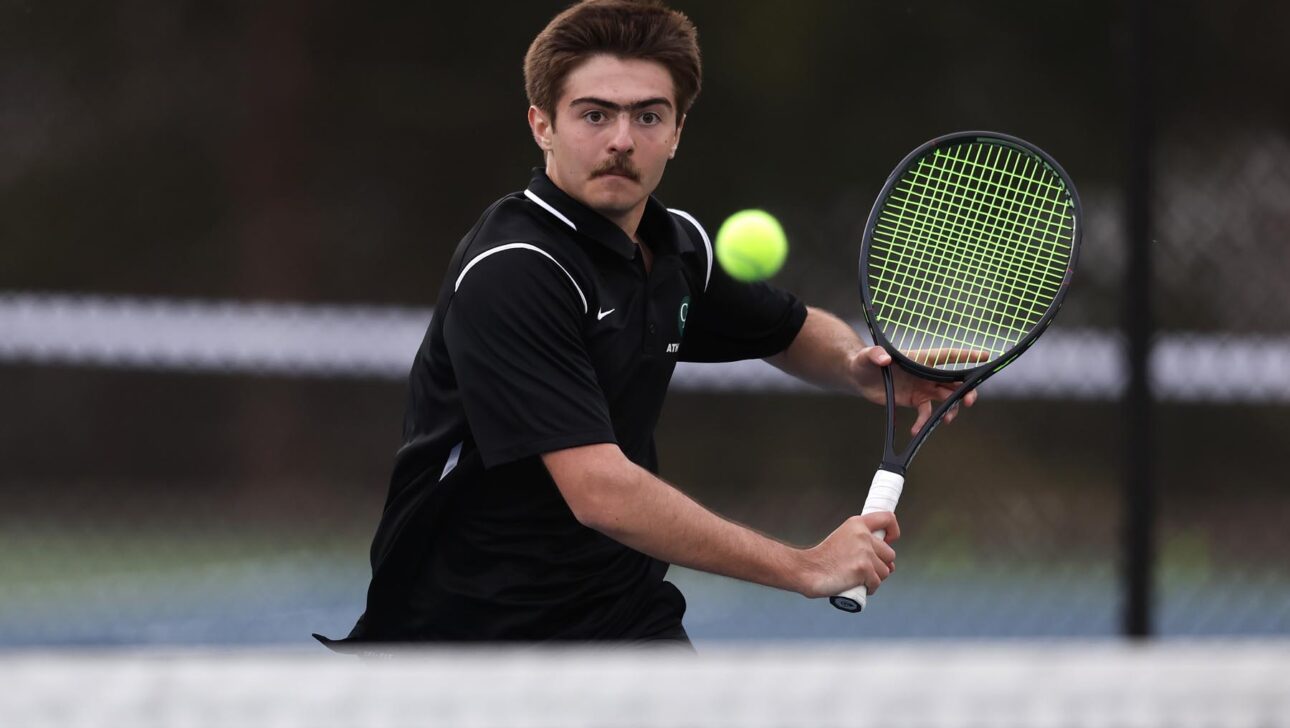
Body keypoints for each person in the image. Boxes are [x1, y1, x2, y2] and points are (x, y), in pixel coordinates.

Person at [317, 0, 974, 650]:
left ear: (678, 131)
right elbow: (601, 492)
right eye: (594, 114)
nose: (622, 140)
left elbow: (791, 330)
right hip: (469, 638)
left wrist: (859, 368)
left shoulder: (676, 245)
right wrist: (805, 566)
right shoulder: (516, 271)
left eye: (648, 115)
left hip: (623, 617)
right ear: (542, 124)